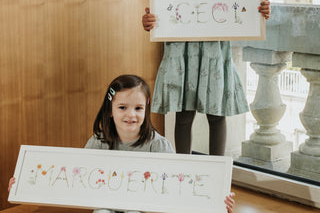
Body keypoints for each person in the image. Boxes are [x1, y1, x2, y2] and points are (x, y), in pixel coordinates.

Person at [142, 0, 271, 156]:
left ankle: (217, 173)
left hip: (214, 55)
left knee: (216, 114)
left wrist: (261, 11)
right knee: (184, 115)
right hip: (181, 56)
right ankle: (184, 170)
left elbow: (242, 13)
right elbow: (160, 16)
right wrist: (149, 21)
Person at [8, 74, 236, 213]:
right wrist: (24, 185)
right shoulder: (98, 142)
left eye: (138, 108)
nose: (131, 115)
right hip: (104, 204)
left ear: (146, 109)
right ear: (110, 110)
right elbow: (75, 180)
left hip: (143, 208)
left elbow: (179, 185)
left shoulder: (159, 146)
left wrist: (218, 200)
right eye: (122, 107)